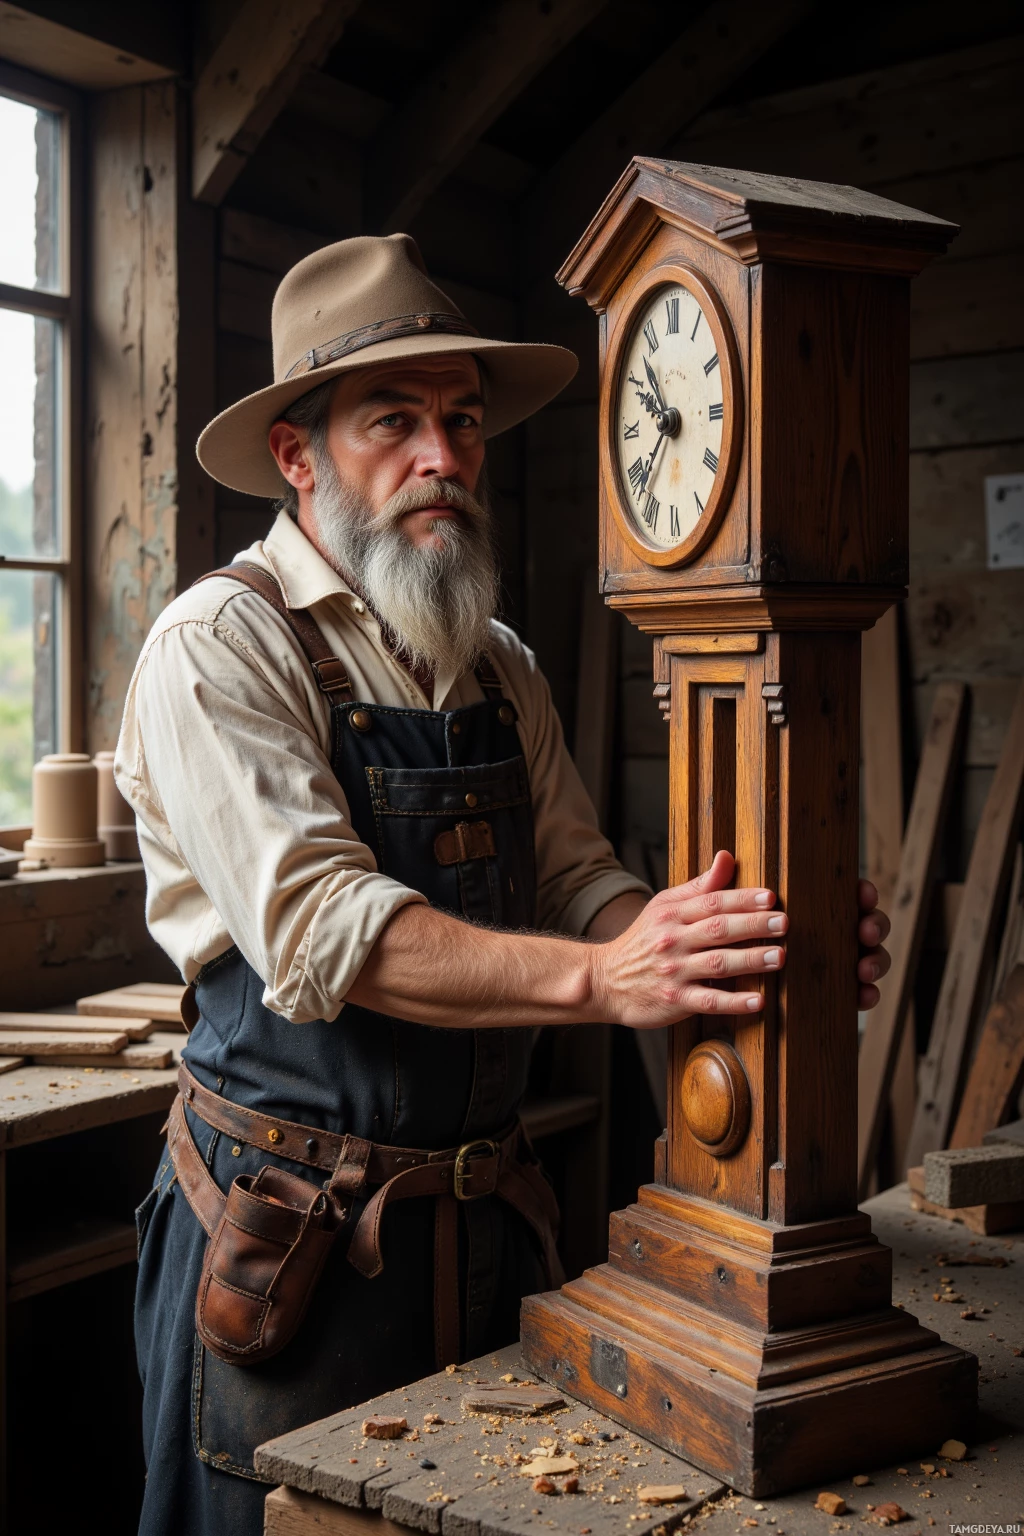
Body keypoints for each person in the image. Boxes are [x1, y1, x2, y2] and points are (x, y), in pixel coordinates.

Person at [115, 234, 891, 1536]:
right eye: (394, 422)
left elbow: (583, 881)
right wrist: (609, 978)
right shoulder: (218, 646)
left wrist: (728, 945)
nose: (444, 456)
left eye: (463, 421)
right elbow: (325, 934)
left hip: (477, 1239)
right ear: (298, 456)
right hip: (284, 1252)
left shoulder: (495, 665)